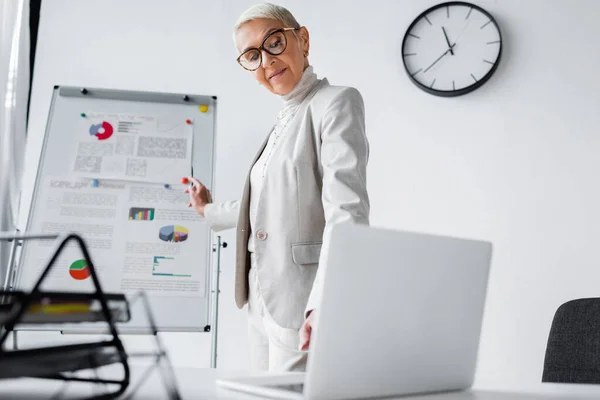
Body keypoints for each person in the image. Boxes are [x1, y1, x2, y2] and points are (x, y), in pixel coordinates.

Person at [186, 3, 370, 372]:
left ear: (301, 39)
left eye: (273, 43)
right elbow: (266, 204)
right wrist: (208, 210)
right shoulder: (284, 119)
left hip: (302, 296)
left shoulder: (335, 103)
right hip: (260, 294)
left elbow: (346, 212)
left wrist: (325, 301)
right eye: (252, 56)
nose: (266, 61)